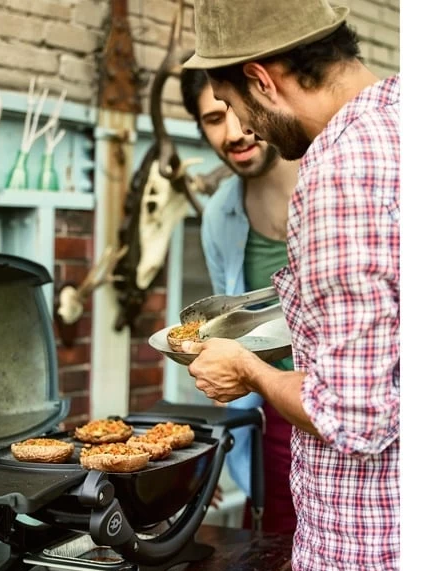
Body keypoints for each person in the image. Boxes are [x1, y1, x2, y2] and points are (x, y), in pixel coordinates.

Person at [182, 1, 400, 571]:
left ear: (261, 79)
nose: (241, 127)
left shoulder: (339, 170)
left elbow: (353, 416)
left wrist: (248, 369)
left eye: (232, 104)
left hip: (370, 554)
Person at [180, 67, 301, 538]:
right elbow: (224, 335)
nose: (233, 131)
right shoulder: (220, 216)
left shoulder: (332, 183)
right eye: (214, 118)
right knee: (275, 557)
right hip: (275, 419)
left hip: (357, 407)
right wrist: (204, 452)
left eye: (236, 108)